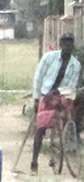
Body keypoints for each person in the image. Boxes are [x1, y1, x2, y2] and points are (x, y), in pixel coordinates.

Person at [30, 33, 82, 174]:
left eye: (69, 43)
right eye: (64, 43)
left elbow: (72, 85)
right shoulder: (49, 58)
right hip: (46, 95)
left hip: (63, 95)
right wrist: (36, 98)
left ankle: (67, 138)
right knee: (41, 128)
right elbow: (38, 77)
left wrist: (58, 92)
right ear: (60, 44)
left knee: (68, 113)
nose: (67, 46)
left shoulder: (75, 65)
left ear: (72, 46)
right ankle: (34, 162)